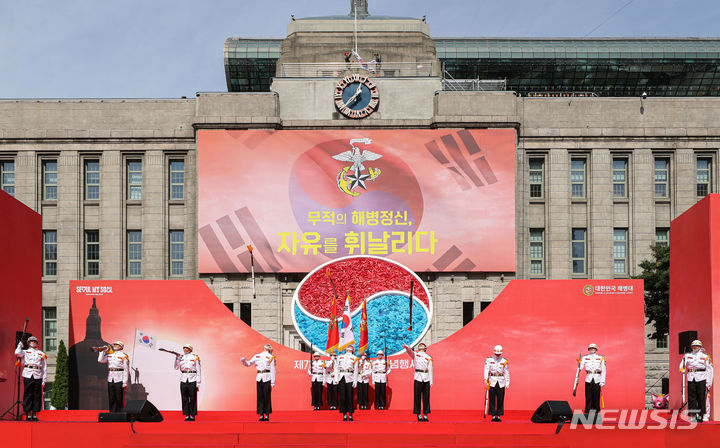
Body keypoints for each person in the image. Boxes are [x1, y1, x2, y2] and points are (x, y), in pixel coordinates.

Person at [14, 336, 47, 421]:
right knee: (28, 394)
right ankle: (28, 414)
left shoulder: (41, 353)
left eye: (34, 341)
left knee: (37, 395)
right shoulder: (25, 352)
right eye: (31, 341)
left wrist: (44, 379)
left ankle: (35, 414)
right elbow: (17, 353)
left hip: (38, 374)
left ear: (37, 343)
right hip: (28, 374)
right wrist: (19, 346)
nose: (33, 343)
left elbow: (44, 367)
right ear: (28, 343)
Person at [241, 343, 276, 421]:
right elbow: (249, 363)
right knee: (260, 396)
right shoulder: (257, 356)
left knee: (266, 396)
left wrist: (273, 381)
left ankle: (266, 414)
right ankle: (261, 414)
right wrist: (244, 361)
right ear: (268, 349)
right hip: (259, 377)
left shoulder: (271, 357)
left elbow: (272, 369)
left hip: (267, 377)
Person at [680, 340, 712, 422]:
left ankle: (701, 415)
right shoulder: (687, 355)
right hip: (691, 377)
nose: (695, 347)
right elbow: (682, 366)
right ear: (691, 347)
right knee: (691, 398)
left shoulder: (705, 356)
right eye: (693, 346)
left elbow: (709, 369)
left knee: (701, 397)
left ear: (700, 347)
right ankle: (693, 415)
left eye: (697, 346)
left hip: (701, 377)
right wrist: (682, 367)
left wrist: (709, 381)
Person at [403, 342, 433, 422]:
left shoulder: (428, 357)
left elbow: (430, 370)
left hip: (426, 377)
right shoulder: (416, 355)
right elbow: (410, 352)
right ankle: (418, 414)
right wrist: (407, 348)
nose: (421, 347)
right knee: (417, 397)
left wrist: (431, 381)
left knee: (426, 397)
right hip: (418, 377)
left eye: (423, 346)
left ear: (425, 348)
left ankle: (426, 415)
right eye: (420, 346)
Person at [97, 340, 130, 412]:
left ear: (121, 347)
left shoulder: (123, 356)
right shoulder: (109, 355)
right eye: (114, 344)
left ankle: (120, 412)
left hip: (119, 377)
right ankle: (112, 412)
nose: (114, 346)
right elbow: (100, 360)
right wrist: (102, 351)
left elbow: (126, 369)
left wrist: (125, 381)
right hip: (110, 377)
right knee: (111, 397)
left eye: (116, 345)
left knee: (119, 397)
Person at [174, 344, 202, 421]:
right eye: (184, 348)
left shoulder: (195, 357)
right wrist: (177, 358)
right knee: (184, 398)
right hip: (183, 379)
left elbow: (199, 371)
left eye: (186, 348)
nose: (185, 349)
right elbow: (176, 367)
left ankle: (192, 415)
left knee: (193, 398)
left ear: (190, 349)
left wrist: (198, 383)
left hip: (192, 379)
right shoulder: (181, 357)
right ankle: (186, 414)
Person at [579, 343, 606, 420]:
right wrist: (579, 363)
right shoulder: (585, 357)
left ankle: (597, 413)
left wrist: (602, 381)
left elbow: (604, 370)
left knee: (596, 396)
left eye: (593, 348)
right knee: (588, 396)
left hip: (597, 378)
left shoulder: (601, 357)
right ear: (588, 349)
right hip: (588, 378)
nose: (592, 349)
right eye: (590, 348)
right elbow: (580, 368)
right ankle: (587, 413)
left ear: (596, 349)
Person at [484, 345, 510, 422]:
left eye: (499, 353)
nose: (497, 355)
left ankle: (498, 415)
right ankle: (492, 415)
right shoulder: (489, 359)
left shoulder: (504, 360)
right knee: (491, 399)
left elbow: (506, 372)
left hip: (501, 381)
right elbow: (486, 370)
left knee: (500, 399)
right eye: (496, 353)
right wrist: (486, 379)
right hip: (492, 381)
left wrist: (507, 381)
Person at [334, 345, 358, 421]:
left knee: (350, 397)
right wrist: (336, 378)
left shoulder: (355, 358)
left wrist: (355, 381)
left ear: (353, 350)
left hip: (350, 377)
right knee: (342, 397)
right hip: (341, 378)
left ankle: (350, 414)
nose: (349, 350)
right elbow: (336, 368)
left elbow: (356, 370)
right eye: (348, 348)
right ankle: (344, 414)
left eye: (350, 349)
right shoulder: (340, 357)